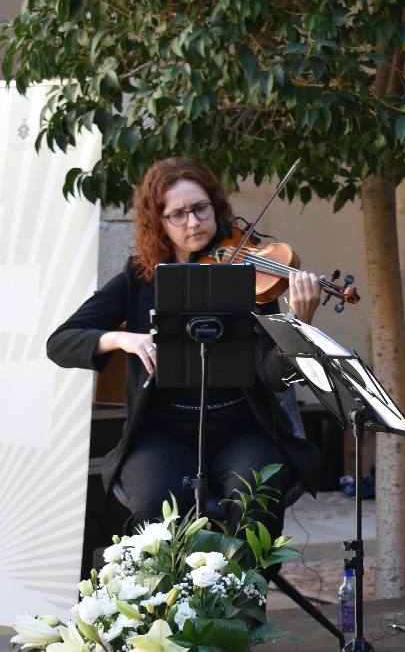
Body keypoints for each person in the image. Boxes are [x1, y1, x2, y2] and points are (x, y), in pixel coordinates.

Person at [47, 157, 324, 538]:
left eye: (200, 208)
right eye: (177, 214)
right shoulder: (138, 277)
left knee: (254, 504)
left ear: (216, 206)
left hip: (243, 427)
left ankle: (238, 595)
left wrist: (299, 324)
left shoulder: (250, 274)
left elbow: (274, 376)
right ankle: (172, 598)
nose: (192, 222)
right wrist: (123, 338)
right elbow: (61, 341)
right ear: (158, 222)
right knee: (154, 519)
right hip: (162, 431)